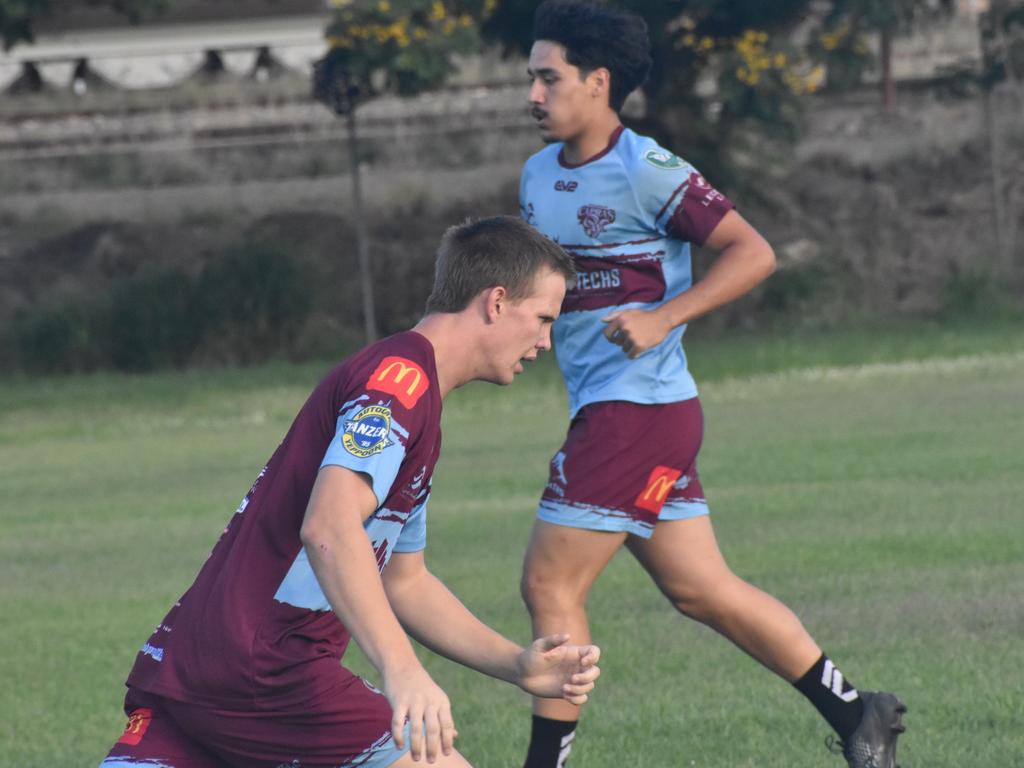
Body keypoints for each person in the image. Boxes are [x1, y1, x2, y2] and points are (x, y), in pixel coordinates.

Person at [517, 3, 906, 768]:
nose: (532, 94)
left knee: (548, 584)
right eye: (530, 77)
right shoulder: (536, 176)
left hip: (636, 415)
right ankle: (857, 712)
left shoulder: (647, 169)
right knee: (701, 589)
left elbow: (752, 252)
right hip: (633, 414)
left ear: (597, 83)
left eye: (547, 77)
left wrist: (664, 318)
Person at [99, 215, 600, 768]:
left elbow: (404, 581)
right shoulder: (399, 381)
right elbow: (330, 527)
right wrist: (402, 669)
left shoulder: (417, 403)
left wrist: (516, 665)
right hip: (266, 670)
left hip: (197, 666)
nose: (547, 341)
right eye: (543, 319)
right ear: (497, 302)